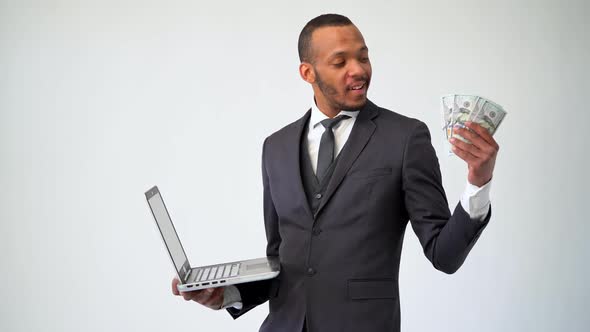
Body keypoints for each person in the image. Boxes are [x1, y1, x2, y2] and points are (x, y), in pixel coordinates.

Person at [171, 13, 499, 332]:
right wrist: (225, 295)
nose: (358, 71)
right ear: (307, 72)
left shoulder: (405, 138)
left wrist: (478, 183)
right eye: (340, 62)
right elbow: (279, 261)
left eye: (363, 57)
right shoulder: (276, 146)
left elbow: (445, 254)